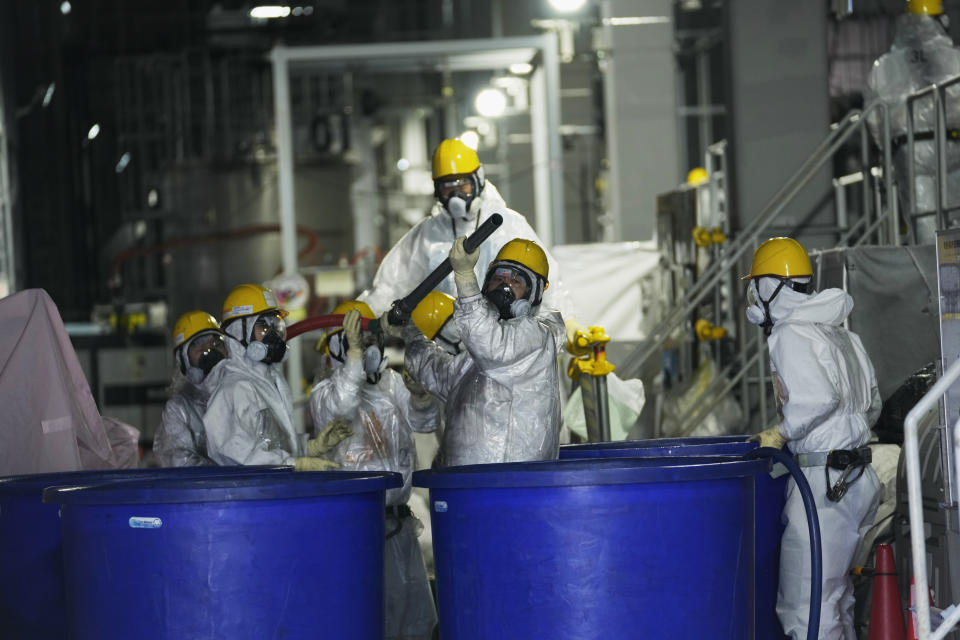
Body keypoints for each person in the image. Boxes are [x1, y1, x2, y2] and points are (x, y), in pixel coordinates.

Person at [745, 237, 882, 640]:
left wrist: (780, 432)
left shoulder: (789, 333)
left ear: (769, 288)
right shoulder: (841, 334)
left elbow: (819, 399)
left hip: (826, 487)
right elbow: (872, 406)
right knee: (838, 598)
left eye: (756, 285)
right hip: (859, 479)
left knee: (807, 608)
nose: (752, 294)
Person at [359, 137, 584, 344]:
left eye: (462, 186)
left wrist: (567, 322)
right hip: (445, 350)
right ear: (437, 191)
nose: (456, 197)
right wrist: (356, 321)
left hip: (503, 343)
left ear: (478, 180)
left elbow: (545, 281)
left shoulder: (506, 223)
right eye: (448, 189)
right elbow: (389, 286)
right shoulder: (428, 234)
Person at [311, 300, 439, 640]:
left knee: (416, 621)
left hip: (400, 522)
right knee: (371, 621)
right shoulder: (324, 394)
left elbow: (425, 422)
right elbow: (343, 404)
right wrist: (354, 357)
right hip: (359, 528)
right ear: (337, 347)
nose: (367, 349)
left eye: (370, 342)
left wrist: (421, 395)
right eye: (357, 342)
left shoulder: (391, 384)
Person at [395, 237, 566, 466]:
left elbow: (490, 344)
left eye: (515, 281)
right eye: (498, 278)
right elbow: (442, 375)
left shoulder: (535, 337)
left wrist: (465, 277)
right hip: (464, 489)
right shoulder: (481, 352)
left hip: (512, 486)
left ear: (533, 293)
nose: (503, 286)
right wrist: (411, 334)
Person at [203, 284, 348, 470]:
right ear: (239, 332)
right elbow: (234, 453)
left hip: (276, 491)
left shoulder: (271, 380)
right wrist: (293, 464)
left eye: (276, 325)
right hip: (253, 496)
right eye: (263, 327)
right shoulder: (231, 390)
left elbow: (274, 443)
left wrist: (310, 447)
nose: (274, 335)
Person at [864, 0, 960, 243]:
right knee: (956, 221)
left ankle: (932, 275)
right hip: (953, 147)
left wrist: (888, 152)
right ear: (941, 19)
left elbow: (875, 119)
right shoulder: (954, 58)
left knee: (926, 228)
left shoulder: (884, 66)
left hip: (908, 153)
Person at [153, 311, 227, 466]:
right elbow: (180, 462)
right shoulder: (178, 409)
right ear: (183, 359)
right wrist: (226, 473)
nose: (210, 351)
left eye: (216, 343)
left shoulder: (239, 393)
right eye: (198, 345)